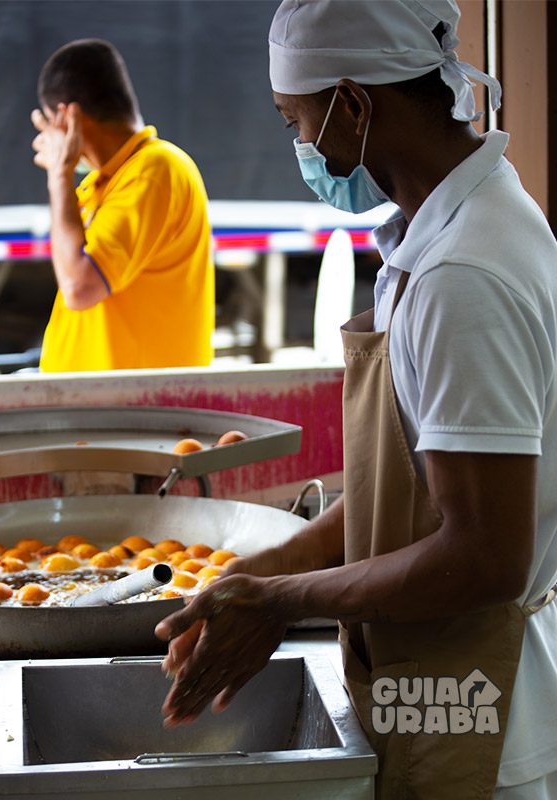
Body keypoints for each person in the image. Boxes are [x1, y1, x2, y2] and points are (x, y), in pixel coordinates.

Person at [155, 2, 557, 799]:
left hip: (482, 704)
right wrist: (262, 576)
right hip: (436, 682)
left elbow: (484, 555)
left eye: (295, 122)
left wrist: (279, 601)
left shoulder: (463, 275)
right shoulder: (445, 230)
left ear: (354, 104)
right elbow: (408, 501)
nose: (301, 147)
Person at [31, 39, 214, 372]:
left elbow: (79, 286)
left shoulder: (155, 171)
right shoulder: (111, 181)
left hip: (136, 409)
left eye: (50, 125)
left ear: (68, 116)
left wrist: (59, 176)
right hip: (109, 405)